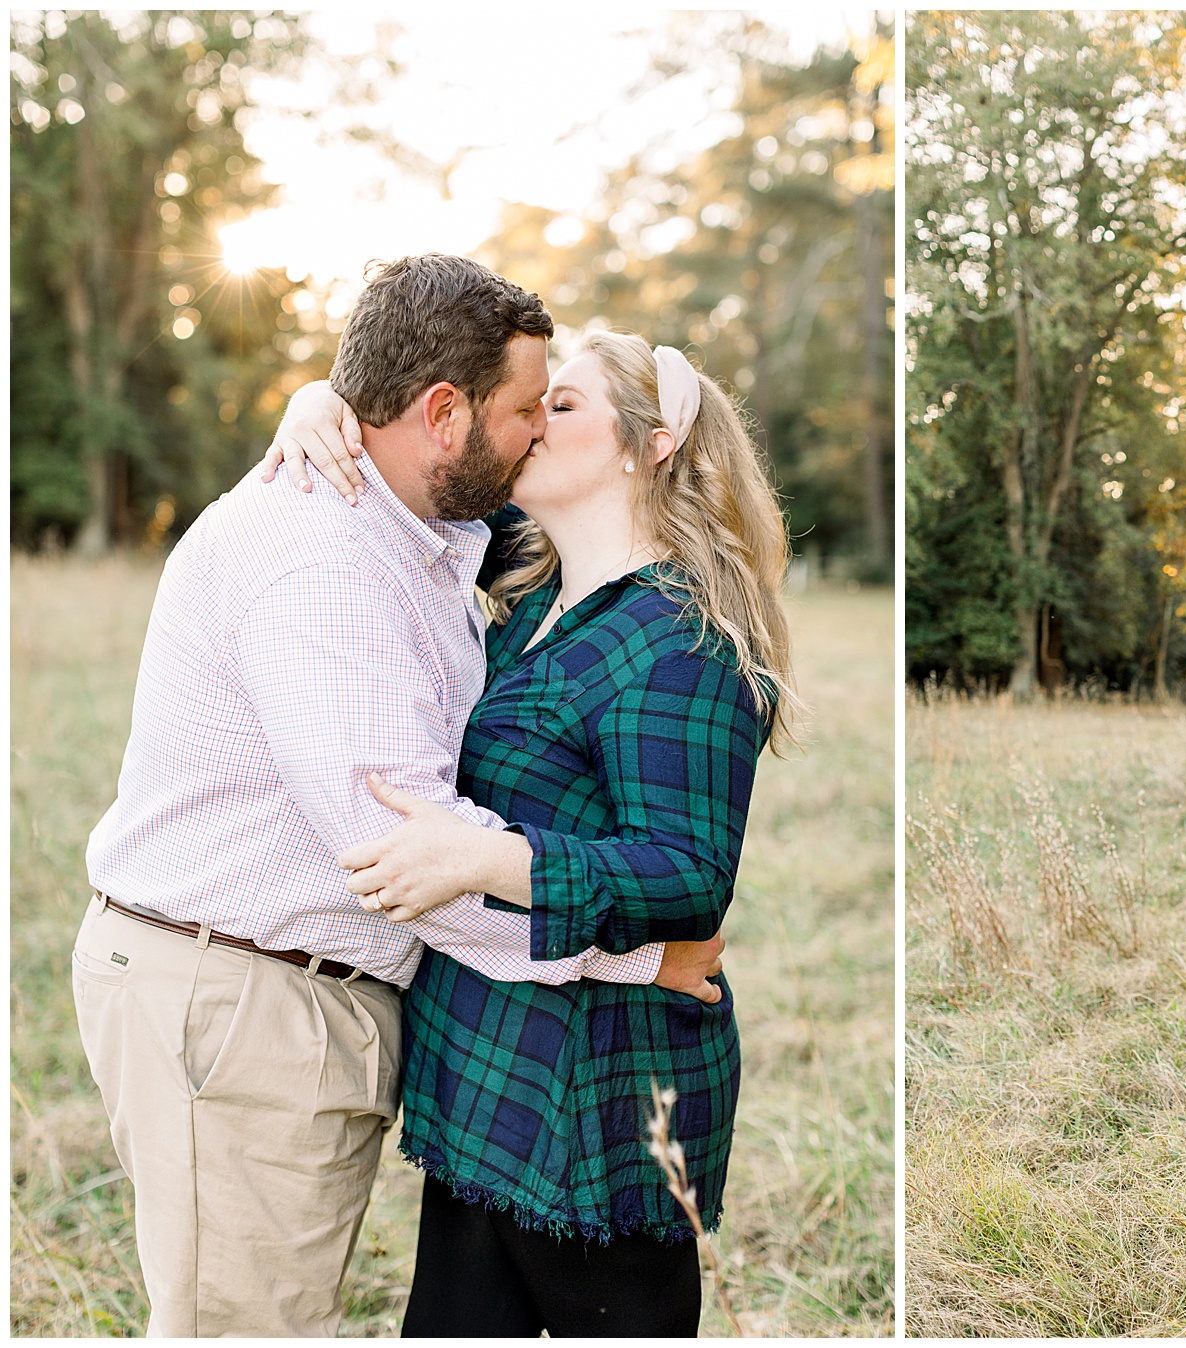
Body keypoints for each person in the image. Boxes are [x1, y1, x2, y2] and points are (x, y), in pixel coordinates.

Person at [73, 255, 722, 1337]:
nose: (533, 432)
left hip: (284, 997)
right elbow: (405, 858)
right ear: (442, 413)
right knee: (244, 1327)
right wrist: (634, 955)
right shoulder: (328, 560)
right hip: (241, 997)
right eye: (526, 408)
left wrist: (327, 395)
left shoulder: (431, 525)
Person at [260, 321, 796, 1336]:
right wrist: (319, 403)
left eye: (564, 404)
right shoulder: (532, 582)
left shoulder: (678, 638)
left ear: (653, 443)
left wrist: (482, 858)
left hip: (598, 1089)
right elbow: (410, 471)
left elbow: (688, 874)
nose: (530, 421)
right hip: (481, 1062)